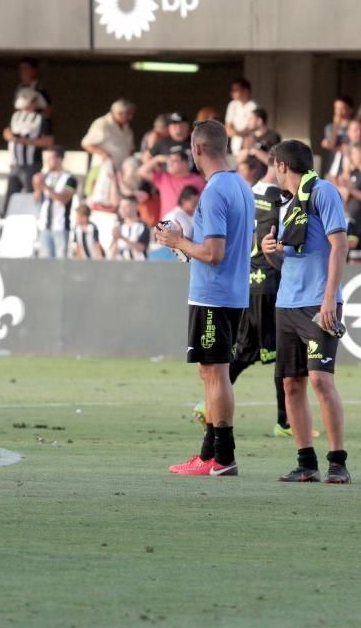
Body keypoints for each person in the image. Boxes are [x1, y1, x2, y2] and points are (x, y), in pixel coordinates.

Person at [157, 119, 254, 476]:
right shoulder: (241, 186)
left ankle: (223, 457)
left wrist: (176, 242)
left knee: (215, 373)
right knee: (210, 371)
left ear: (197, 149)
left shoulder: (214, 191)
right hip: (230, 292)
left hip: (214, 295)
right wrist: (186, 242)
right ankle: (209, 453)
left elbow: (214, 253)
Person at [261, 139, 351, 484]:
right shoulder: (289, 205)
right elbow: (289, 260)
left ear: (281, 165)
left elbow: (339, 244)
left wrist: (330, 299)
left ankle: (337, 461)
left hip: (318, 302)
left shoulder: (323, 191)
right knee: (291, 384)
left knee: (320, 380)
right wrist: (271, 252)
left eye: (274, 166)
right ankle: (305, 462)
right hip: (287, 302)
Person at [229, 156, 290, 437]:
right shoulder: (282, 199)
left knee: (245, 352)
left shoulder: (245, 195)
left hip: (248, 286)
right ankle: (285, 423)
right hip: (271, 286)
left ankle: (209, 403)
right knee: (282, 357)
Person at [81, 99, 135, 211]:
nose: (130, 117)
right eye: (128, 114)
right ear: (120, 113)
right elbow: (86, 143)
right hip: (104, 168)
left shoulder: (126, 127)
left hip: (121, 171)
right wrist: (103, 154)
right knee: (101, 198)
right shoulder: (102, 123)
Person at [4, 89, 53, 212]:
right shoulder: (15, 117)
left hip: (31, 164)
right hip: (15, 163)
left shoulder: (41, 118)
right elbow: (7, 132)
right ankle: (8, 215)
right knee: (11, 195)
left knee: (31, 193)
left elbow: (49, 141)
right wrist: (11, 136)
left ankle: (32, 214)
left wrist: (26, 141)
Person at [132, 149, 205, 224]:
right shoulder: (164, 177)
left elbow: (204, 205)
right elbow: (141, 172)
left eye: (174, 161)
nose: (170, 163)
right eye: (169, 160)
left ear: (185, 163)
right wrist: (157, 159)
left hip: (189, 226)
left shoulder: (198, 180)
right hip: (166, 225)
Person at [33, 145, 77, 259]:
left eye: (50, 159)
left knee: (60, 261)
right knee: (45, 262)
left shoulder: (70, 179)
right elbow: (36, 200)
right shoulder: (46, 176)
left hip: (60, 226)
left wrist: (45, 186)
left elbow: (64, 199)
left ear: (59, 159)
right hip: (45, 226)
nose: (48, 162)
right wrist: (37, 187)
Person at [224, 78, 257, 154]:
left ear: (245, 91)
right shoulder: (232, 104)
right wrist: (238, 133)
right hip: (235, 146)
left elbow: (250, 128)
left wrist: (235, 132)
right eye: (232, 90)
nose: (232, 93)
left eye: (236, 90)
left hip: (249, 147)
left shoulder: (253, 106)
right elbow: (227, 128)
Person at [110, 196, 149, 260]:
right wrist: (115, 239)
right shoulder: (119, 227)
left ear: (135, 206)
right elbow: (112, 253)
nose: (122, 209)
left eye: (126, 207)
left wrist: (122, 237)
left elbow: (141, 248)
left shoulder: (143, 226)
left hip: (139, 265)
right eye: (121, 207)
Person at [320, 95, 355, 166]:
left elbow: (354, 148)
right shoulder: (329, 127)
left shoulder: (355, 127)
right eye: (336, 108)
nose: (338, 112)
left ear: (350, 110)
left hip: (350, 164)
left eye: (342, 108)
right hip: (334, 164)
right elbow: (332, 144)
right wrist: (336, 125)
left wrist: (332, 146)